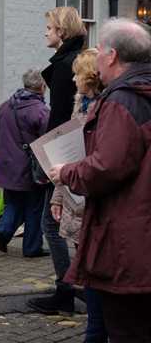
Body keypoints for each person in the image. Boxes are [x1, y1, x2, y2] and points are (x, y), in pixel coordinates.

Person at [49, 18, 151, 341]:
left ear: (112, 56)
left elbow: (107, 167)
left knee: (125, 332)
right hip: (140, 236)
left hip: (127, 243)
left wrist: (65, 173)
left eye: (102, 51)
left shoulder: (121, 101)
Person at [28, 6, 86, 316]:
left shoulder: (66, 66)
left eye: (49, 27)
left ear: (62, 31)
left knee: (54, 225)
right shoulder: (73, 60)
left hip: (66, 158)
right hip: (74, 157)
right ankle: (88, 289)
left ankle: (68, 291)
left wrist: (45, 166)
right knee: (75, 223)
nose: (45, 32)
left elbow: (62, 121)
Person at [49, 48, 107, 342]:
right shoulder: (80, 106)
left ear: (91, 77)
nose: (72, 79)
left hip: (94, 201)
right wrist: (58, 197)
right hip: (75, 198)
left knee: (94, 271)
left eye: (77, 74)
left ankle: (96, 331)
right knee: (85, 266)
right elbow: (68, 154)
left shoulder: (105, 109)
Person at [0, 68, 50, 257]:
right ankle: (32, 248)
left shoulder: (5, 106)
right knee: (35, 207)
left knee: (14, 202)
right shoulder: (41, 111)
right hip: (30, 169)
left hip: (7, 166)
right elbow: (47, 144)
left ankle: (4, 230)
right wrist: (46, 172)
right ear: (42, 87)